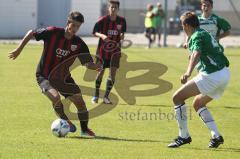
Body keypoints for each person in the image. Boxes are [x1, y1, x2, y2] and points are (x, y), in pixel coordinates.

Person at [8, 11, 102, 137]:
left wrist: (95, 67)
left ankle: (84, 130)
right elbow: (31, 33)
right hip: (44, 75)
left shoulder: (79, 43)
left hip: (63, 77)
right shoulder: (52, 32)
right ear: (68, 22)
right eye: (73, 25)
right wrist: (18, 50)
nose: (75, 29)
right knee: (55, 97)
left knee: (80, 101)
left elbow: (87, 63)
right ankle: (66, 121)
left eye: (78, 26)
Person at [168, 12, 230, 148]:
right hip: (224, 74)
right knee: (198, 103)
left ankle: (183, 136)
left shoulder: (197, 36)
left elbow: (196, 53)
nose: (182, 28)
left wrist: (188, 72)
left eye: (182, 25)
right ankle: (216, 136)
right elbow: (214, 50)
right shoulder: (203, 33)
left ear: (187, 26)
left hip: (212, 76)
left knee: (177, 98)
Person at [91, 0, 127, 104]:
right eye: (111, 7)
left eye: (115, 7)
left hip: (115, 52)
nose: (113, 9)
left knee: (112, 74)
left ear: (118, 9)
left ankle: (106, 97)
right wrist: (102, 35)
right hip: (103, 52)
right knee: (100, 72)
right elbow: (94, 32)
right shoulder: (102, 20)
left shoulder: (122, 21)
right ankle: (96, 95)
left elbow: (122, 33)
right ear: (108, 8)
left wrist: (122, 37)